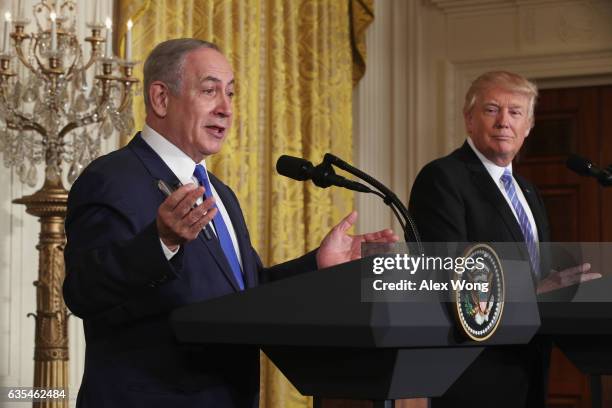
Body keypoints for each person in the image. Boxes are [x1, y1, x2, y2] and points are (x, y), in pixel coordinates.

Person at [63, 38, 398, 408]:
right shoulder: (112, 179)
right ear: (160, 98)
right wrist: (161, 242)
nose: (226, 109)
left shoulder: (220, 193)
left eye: (231, 93)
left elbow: (246, 297)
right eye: (209, 91)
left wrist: (319, 265)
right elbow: (84, 292)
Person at [408, 71, 599, 407]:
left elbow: (541, 272)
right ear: (469, 119)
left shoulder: (528, 192)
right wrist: (532, 291)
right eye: (491, 109)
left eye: (515, 112)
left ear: (528, 126)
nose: (503, 122)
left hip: (530, 360)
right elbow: (446, 274)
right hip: (473, 367)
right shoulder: (442, 178)